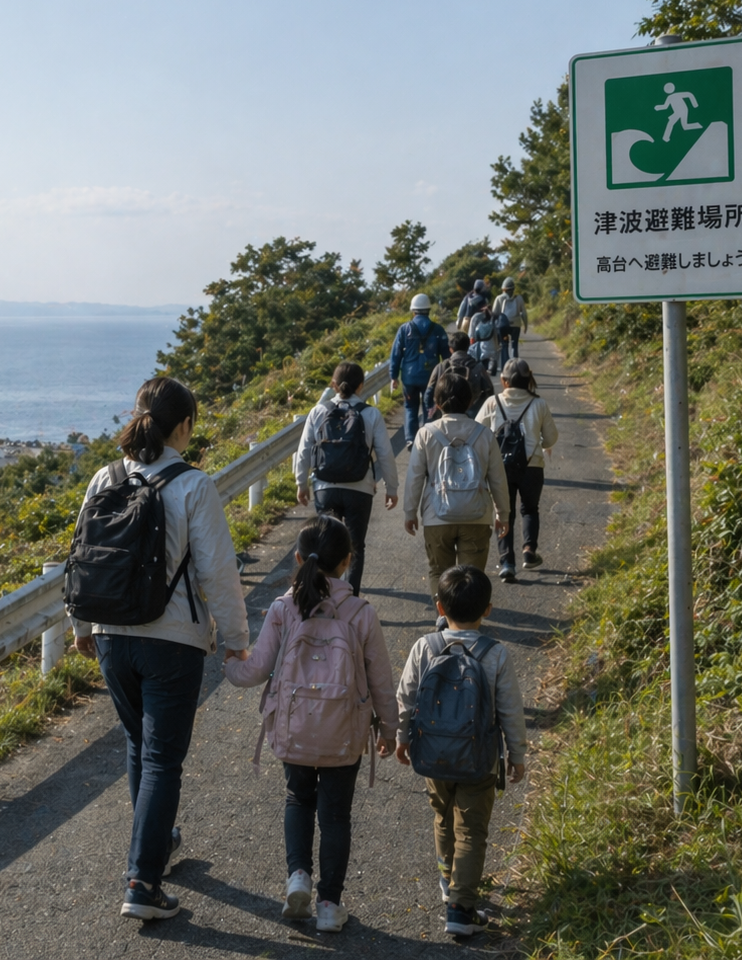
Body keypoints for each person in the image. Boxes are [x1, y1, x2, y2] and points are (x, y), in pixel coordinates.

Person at [70, 376, 250, 921]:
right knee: (162, 759)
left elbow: (83, 553)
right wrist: (238, 639)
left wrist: (80, 623)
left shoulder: (106, 475)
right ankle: (143, 883)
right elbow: (217, 571)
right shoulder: (193, 485)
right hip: (171, 642)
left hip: (110, 637)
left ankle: (156, 847)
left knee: (137, 744)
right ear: (184, 426)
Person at [225, 515, 398, 932]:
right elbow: (380, 680)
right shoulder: (360, 613)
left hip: (294, 728)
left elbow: (256, 669)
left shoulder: (285, 608)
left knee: (298, 798)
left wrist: (230, 662)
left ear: (299, 558)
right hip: (345, 733)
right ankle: (328, 906)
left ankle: (297, 877)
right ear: (348, 562)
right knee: (336, 815)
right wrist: (390, 730)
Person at [395, 565, 527, 937]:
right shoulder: (495, 654)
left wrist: (402, 738)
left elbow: (405, 698)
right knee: (471, 829)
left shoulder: (425, 646)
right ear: (488, 609)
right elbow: (511, 711)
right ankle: (461, 908)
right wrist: (516, 755)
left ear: (439, 607)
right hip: (478, 759)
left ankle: (446, 881)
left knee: (442, 815)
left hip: (433, 754)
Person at [293, 361, 399, 596]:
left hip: (324, 487)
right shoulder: (370, 414)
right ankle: (350, 599)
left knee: (322, 545)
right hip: (359, 489)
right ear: (361, 385)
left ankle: (320, 595)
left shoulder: (318, 411)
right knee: (355, 547)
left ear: (333, 385)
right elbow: (385, 454)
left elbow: (304, 451)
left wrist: (301, 483)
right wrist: (392, 487)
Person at [403, 373, 509, 602]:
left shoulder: (425, 434)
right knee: (472, 577)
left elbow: (414, 478)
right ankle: (469, 622)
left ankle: (444, 618)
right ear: (471, 401)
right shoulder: (485, 434)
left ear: (438, 403)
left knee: (439, 573)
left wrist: (409, 512)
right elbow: (498, 478)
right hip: (477, 516)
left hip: (436, 517)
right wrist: (503, 513)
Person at [475, 358, 559, 582]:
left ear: (503, 381)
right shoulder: (538, 404)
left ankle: (506, 562)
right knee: (530, 509)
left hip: (499, 468)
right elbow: (551, 437)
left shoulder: (493, 403)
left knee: (504, 514)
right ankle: (529, 549)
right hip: (532, 467)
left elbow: (477, 431)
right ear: (528, 379)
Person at [388, 294, 450, 449]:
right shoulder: (438, 329)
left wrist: (393, 377)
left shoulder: (404, 329)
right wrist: (447, 375)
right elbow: (447, 356)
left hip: (409, 378)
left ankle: (410, 439)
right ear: (428, 310)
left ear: (413, 311)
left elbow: (395, 355)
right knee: (430, 406)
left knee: (410, 407)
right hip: (431, 377)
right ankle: (429, 438)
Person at [423, 333, 494, 420]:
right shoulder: (478, 367)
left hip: (445, 417)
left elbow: (428, 393)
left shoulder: (441, 367)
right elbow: (489, 391)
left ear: (450, 349)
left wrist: (433, 411)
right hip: (472, 417)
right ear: (468, 347)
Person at [492, 278, 528, 366]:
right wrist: (525, 325)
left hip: (504, 325)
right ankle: (515, 365)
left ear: (503, 289)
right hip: (516, 325)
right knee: (514, 345)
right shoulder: (519, 298)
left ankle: (505, 365)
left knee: (504, 345)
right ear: (513, 289)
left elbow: (494, 314)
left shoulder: (499, 298)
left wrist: (494, 328)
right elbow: (524, 313)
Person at [467, 304, 502, 376]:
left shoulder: (477, 319)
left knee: (482, 374)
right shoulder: (495, 320)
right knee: (492, 373)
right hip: (493, 351)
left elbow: (472, 336)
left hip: (481, 352)